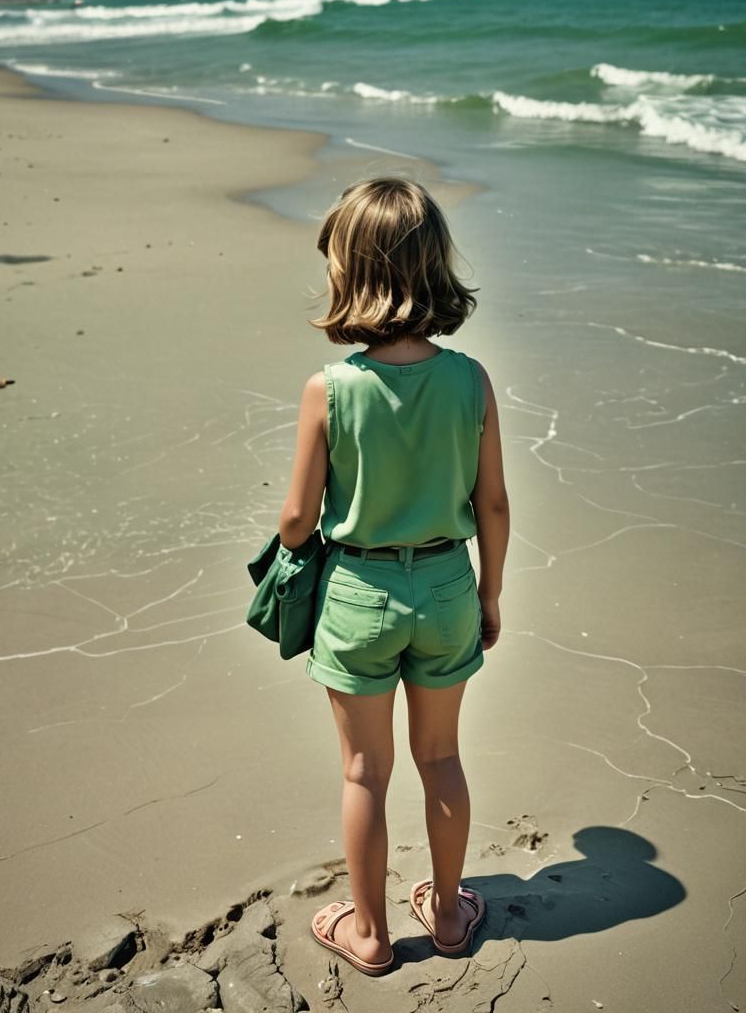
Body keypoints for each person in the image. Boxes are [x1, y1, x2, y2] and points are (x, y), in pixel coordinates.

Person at [277, 176, 509, 975]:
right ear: (434, 264)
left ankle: (370, 934)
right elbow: (493, 504)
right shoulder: (470, 379)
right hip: (446, 586)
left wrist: (295, 547)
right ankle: (446, 913)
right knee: (440, 757)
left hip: (359, 592)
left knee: (363, 772)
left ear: (348, 268)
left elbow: (297, 519)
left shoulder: (329, 389)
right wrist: (489, 593)